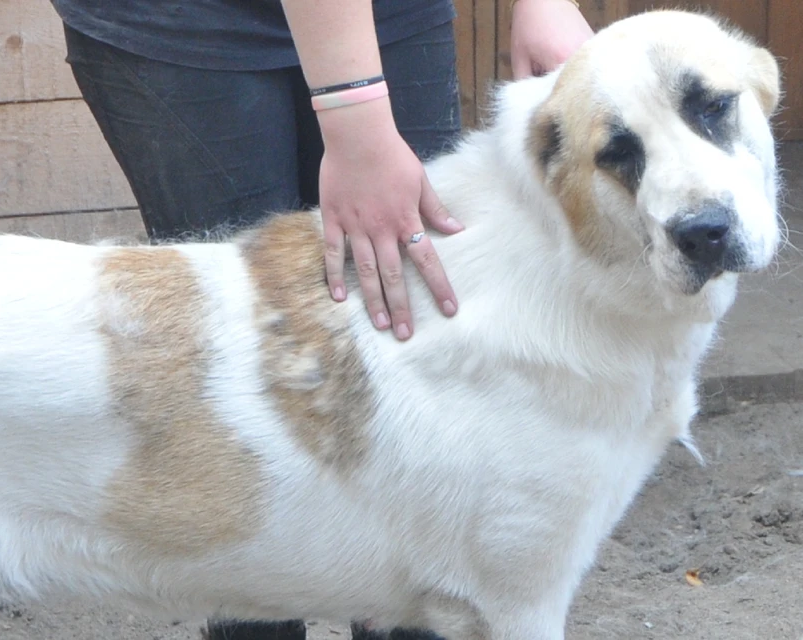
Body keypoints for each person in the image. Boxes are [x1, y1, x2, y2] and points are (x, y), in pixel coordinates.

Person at [46, 0, 593, 639]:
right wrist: (354, 112)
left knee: (418, 363)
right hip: (184, 28)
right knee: (237, 383)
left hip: (393, 16)